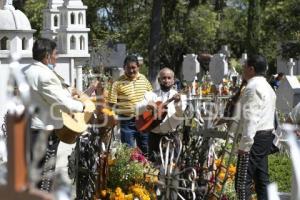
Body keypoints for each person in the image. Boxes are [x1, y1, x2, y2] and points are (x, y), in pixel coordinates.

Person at [22, 38, 85, 192]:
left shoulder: (26, 71)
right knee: (44, 178)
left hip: (29, 128)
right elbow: (63, 103)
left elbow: (50, 94)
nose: (57, 57)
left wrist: (70, 92)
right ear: (47, 56)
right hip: (44, 132)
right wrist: (82, 105)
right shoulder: (45, 75)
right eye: (56, 54)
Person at [235, 54, 276, 200]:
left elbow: (251, 119)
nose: (242, 70)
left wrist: (245, 145)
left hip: (255, 138)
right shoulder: (267, 86)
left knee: (241, 183)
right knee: (261, 180)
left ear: (251, 69)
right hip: (265, 137)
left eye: (244, 67)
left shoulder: (252, 87)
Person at [136, 68, 186, 162]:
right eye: (163, 78)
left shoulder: (181, 97)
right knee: (153, 168)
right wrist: (146, 106)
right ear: (159, 80)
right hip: (154, 137)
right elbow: (136, 109)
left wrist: (177, 103)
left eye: (169, 78)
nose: (166, 80)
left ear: (173, 80)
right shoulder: (150, 95)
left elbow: (180, 114)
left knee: (173, 165)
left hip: (172, 137)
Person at [108, 55, 152, 155]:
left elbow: (151, 97)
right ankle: (131, 170)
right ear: (124, 67)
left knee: (145, 148)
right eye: (128, 68)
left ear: (138, 67)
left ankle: (147, 170)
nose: (131, 70)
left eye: (133, 67)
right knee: (128, 151)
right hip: (126, 122)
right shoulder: (117, 83)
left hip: (143, 119)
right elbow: (111, 103)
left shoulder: (144, 80)